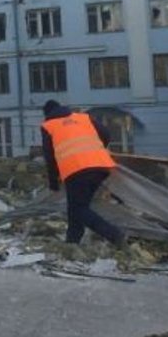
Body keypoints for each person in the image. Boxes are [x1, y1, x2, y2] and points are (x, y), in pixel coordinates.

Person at [41, 100, 125, 246]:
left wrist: (53, 182)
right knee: (77, 207)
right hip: (101, 166)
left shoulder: (49, 126)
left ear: (47, 114)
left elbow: (50, 156)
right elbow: (106, 133)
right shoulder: (82, 117)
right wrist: (95, 151)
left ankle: (114, 234)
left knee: (78, 209)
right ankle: (72, 241)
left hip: (76, 170)